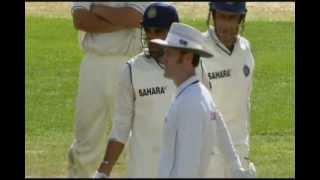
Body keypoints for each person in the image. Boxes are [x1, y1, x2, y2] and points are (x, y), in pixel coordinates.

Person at [93, 3, 210, 178]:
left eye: (158, 31)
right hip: (143, 169)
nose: (151, 38)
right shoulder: (132, 70)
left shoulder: (194, 67)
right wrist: (104, 169)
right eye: (148, 31)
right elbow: (120, 127)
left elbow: (209, 116)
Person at [151, 22, 254, 178]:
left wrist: (235, 167)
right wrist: (235, 167)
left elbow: (188, 165)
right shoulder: (199, 94)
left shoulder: (190, 103)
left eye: (169, 54)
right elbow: (220, 128)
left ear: (187, 58)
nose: (163, 59)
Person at [68, 2, 151, 178]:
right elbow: (81, 20)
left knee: (133, 137)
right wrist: (120, 19)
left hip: (130, 63)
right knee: (86, 139)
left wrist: (98, 10)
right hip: (93, 64)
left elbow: (136, 17)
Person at [201, 2, 256, 178]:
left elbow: (245, 97)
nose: (226, 25)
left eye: (232, 18)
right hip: (209, 148)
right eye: (222, 17)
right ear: (213, 16)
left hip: (240, 144)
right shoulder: (198, 49)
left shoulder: (246, 48)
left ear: (241, 18)